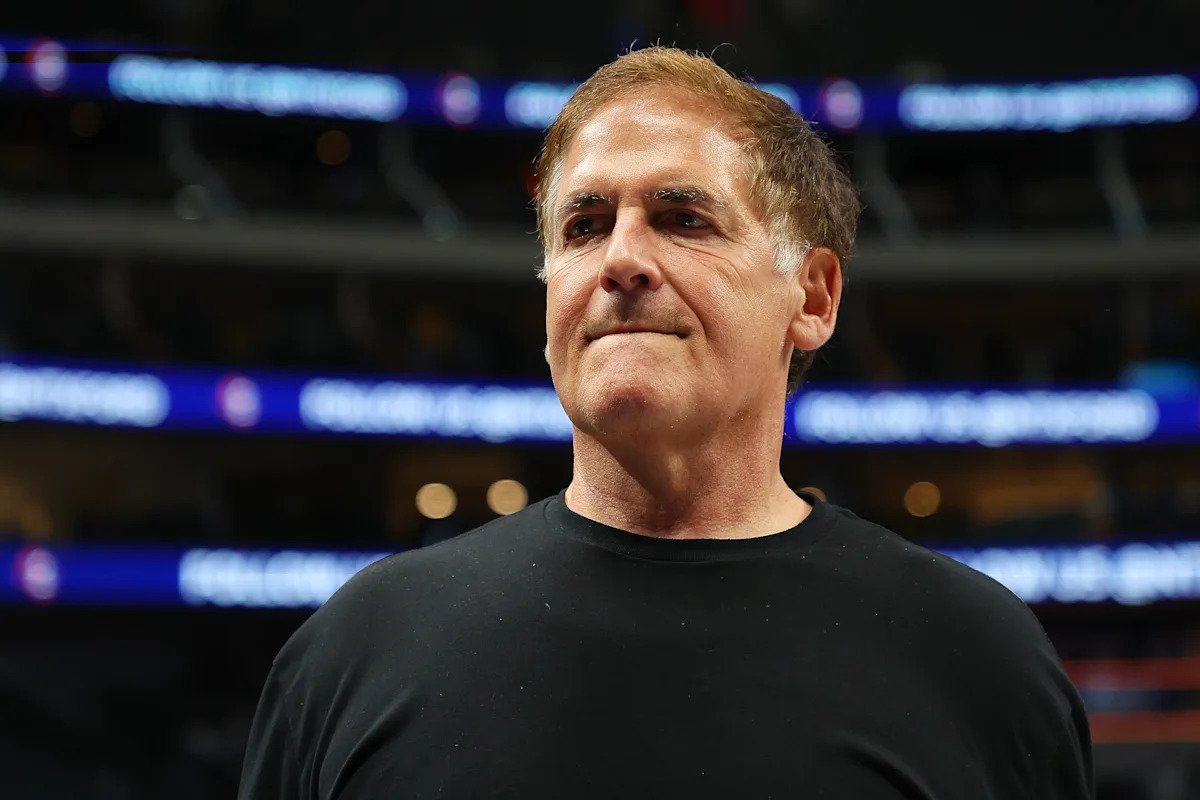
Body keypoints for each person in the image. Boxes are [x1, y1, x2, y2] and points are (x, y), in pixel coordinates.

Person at [239, 46, 1093, 798]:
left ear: (813, 297)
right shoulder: (355, 651)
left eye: (683, 219)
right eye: (584, 226)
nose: (621, 259)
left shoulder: (977, 659)